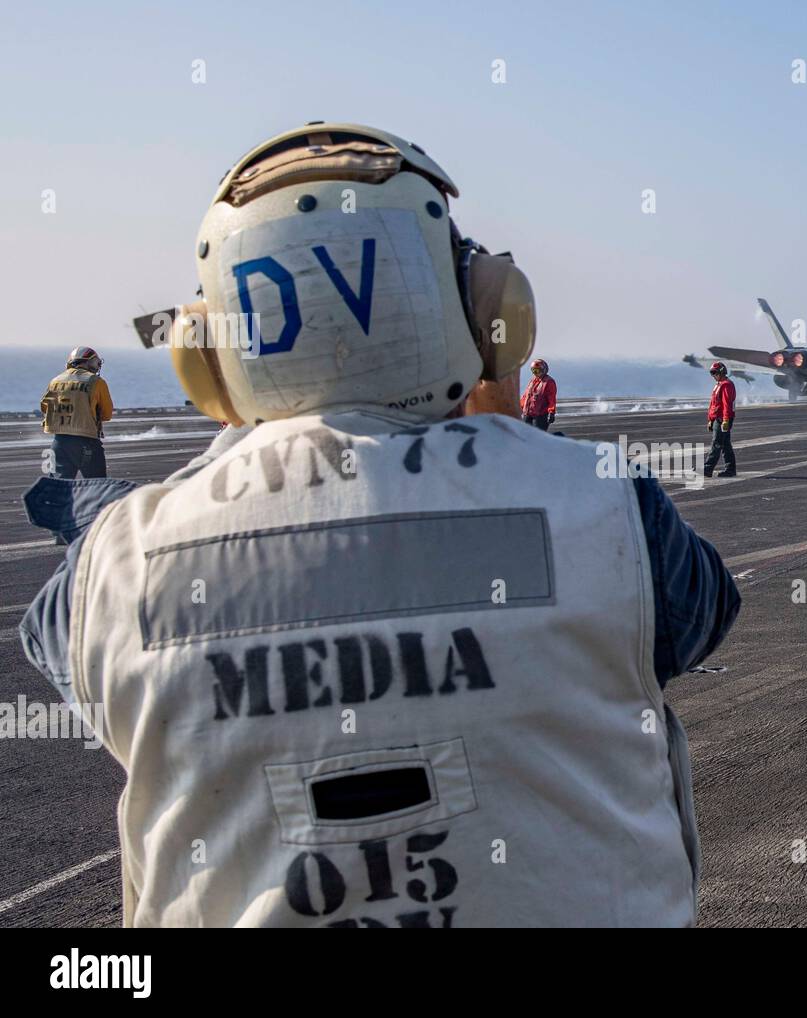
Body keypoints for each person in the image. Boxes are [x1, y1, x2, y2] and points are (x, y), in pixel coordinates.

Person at [20, 122, 740, 928]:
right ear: (483, 313)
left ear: (211, 353)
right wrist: (506, 430)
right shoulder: (611, 511)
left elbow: (68, 650)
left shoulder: (117, 565)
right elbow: (704, 611)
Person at [40, 346, 113, 479]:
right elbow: (107, 414)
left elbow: (45, 406)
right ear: (88, 362)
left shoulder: (56, 381)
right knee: (97, 486)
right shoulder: (97, 382)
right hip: (87, 441)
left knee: (58, 487)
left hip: (60, 441)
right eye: (95, 362)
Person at [703, 360, 737, 478]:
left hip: (723, 419)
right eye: (712, 373)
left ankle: (707, 469)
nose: (713, 375)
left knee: (716, 444)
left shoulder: (726, 385)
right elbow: (713, 404)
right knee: (725, 445)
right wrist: (710, 420)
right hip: (717, 419)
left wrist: (726, 420)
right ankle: (730, 469)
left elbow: (727, 404)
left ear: (721, 372)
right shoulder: (718, 385)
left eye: (715, 372)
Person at [520, 357, 557, 431]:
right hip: (527, 414)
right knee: (525, 436)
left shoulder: (549, 382)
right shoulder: (533, 381)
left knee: (537, 438)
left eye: (537, 370)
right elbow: (526, 396)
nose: (535, 373)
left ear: (543, 370)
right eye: (533, 371)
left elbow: (551, 399)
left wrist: (551, 412)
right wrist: (519, 408)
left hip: (540, 416)